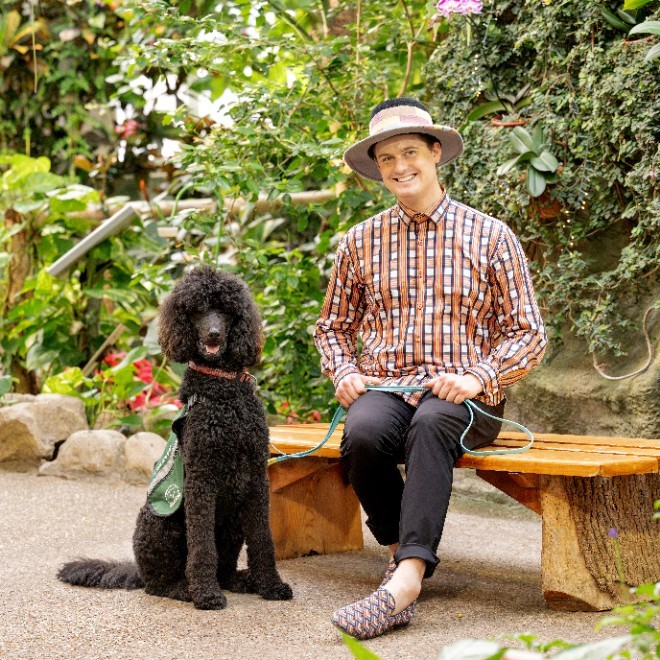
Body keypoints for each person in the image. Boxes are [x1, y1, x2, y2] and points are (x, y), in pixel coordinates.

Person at [313, 97, 547, 640]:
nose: (400, 167)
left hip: (468, 395)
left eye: (410, 152)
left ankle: (406, 583)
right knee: (363, 433)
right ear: (378, 167)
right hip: (389, 386)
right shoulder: (360, 242)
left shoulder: (491, 236)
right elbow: (332, 327)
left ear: (435, 152)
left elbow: (529, 333)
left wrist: (478, 377)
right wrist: (344, 371)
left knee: (433, 421)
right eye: (387, 158)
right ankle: (401, 550)